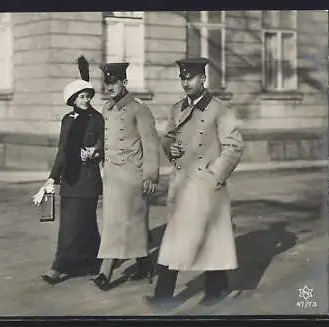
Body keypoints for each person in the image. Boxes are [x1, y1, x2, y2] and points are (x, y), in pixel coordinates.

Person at [143, 57, 244, 309]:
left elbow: (233, 147)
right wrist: (171, 148)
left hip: (206, 186)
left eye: (191, 78)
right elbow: (167, 139)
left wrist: (215, 176)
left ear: (203, 79)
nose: (186, 82)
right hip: (183, 184)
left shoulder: (220, 109)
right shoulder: (177, 108)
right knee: (177, 239)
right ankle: (166, 296)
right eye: (183, 78)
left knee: (208, 240)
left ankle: (211, 290)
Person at [33, 56, 104, 285]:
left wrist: (95, 151)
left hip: (89, 179)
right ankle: (92, 261)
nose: (85, 100)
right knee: (75, 224)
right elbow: (62, 150)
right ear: (73, 100)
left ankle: (59, 267)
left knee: (82, 222)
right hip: (70, 180)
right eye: (81, 97)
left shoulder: (97, 118)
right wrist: (52, 178)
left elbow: (106, 142)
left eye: (88, 96)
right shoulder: (67, 120)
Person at [91, 62, 161, 291]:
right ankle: (144, 264)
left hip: (132, 175)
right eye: (106, 83)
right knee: (121, 222)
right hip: (112, 175)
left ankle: (105, 272)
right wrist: (95, 151)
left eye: (114, 82)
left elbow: (151, 145)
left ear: (124, 83)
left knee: (127, 223)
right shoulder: (107, 109)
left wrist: (150, 176)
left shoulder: (139, 109)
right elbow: (105, 139)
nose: (109, 87)